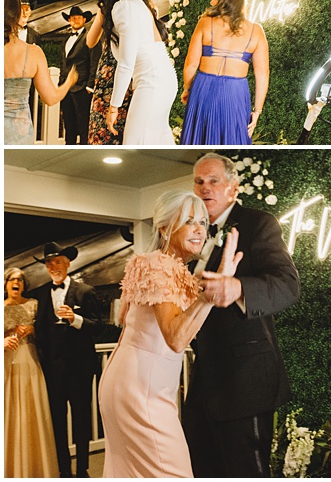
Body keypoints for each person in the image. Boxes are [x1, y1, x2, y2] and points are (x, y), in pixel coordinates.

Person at [100, 191, 242, 476]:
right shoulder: (160, 265)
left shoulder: (164, 267)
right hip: (142, 389)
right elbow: (176, 339)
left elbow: (123, 317)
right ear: (165, 227)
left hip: (132, 381)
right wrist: (208, 296)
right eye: (189, 221)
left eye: (203, 222)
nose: (200, 229)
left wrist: (210, 291)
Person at [183, 153, 300, 477]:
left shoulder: (258, 224)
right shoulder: (193, 232)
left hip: (247, 382)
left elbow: (288, 284)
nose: (205, 188)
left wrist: (237, 289)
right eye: (199, 182)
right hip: (204, 379)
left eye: (214, 181)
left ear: (233, 188)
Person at [29, 242, 102, 478]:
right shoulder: (40, 295)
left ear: (67, 263)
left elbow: (98, 327)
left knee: (82, 421)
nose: (53, 267)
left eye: (58, 261)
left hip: (80, 369)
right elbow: (38, 331)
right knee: (56, 422)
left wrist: (76, 320)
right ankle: (63, 470)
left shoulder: (85, 291)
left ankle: (82, 470)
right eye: (50, 263)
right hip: (52, 371)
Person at [94, 0, 177, 144]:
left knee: (134, 142)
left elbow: (126, 62)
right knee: (159, 138)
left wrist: (113, 107)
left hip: (151, 81)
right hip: (160, 78)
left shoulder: (124, 6)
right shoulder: (136, 2)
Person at [181, 0, 269, 145]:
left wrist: (187, 89)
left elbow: (191, 64)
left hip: (203, 88)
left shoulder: (205, 22)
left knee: (199, 138)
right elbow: (262, 75)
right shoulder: (256, 31)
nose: (211, 1)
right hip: (235, 92)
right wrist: (257, 111)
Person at [4, 268, 60, 477]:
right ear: (6, 283)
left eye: (20, 279)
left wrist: (34, 330)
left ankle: (35, 466)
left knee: (32, 411)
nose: (16, 282)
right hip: (7, 366)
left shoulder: (33, 305)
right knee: (9, 413)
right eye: (12, 279)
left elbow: (48, 332)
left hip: (31, 363)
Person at [5, 0, 78, 145]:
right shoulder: (33, 52)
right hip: (19, 135)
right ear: (16, 13)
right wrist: (69, 82)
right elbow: (51, 98)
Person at [85, 0, 139, 144]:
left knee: (106, 129)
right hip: (125, 75)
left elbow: (90, 41)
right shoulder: (135, 10)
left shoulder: (113, 8)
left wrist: (103, 11)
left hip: (114, 73)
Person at [59, 6, 101, 145]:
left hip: (82, 88)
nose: (76, 20)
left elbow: (95, 61)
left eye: (78, 17)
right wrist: (61, 86)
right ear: (69, 20)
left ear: (84, 20)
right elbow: (63, 64)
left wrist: (90, 86)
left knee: (84, 126)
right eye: (73, 18)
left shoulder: (90, 37)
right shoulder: (65, 40)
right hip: (66, 89)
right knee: (69, 126)